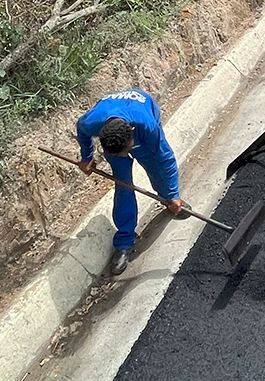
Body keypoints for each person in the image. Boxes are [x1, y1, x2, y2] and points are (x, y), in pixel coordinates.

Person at [75, 89, 185, 275]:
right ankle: (124, 241)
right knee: (123, 184)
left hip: (141, 120)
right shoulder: (92, 123)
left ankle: (169, 200)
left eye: (128, 150)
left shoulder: (147, 126)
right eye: (122, 153)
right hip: (118, 136)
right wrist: (86, 157)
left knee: (155, 168)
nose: (127, 154)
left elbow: (165, 159)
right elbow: (81, 130)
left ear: (132, 134)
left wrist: (173, 193)